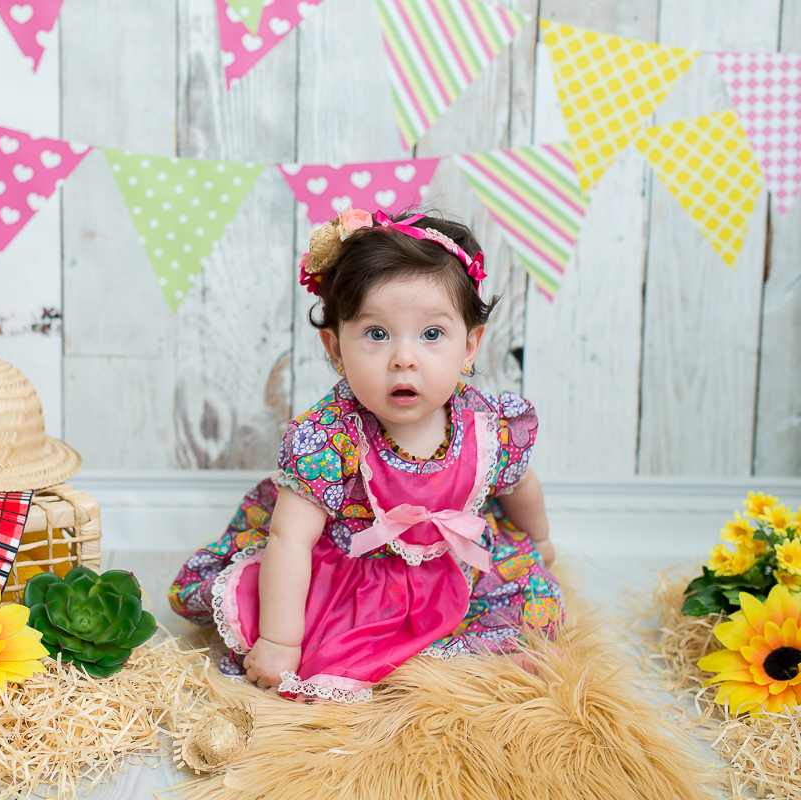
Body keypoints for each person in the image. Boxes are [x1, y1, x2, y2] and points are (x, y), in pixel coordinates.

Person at [168, 207, 562, 702]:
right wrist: (279, 640)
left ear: (470, 346)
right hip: (356, 573)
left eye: (432, 334)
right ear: (335, 347)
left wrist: (539, 540)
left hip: (452, 565)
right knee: (333, 652)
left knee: (524, 608)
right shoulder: (331, 437)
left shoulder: (490, 425)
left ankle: (469, 655)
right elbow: (289, 539)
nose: (404, 357)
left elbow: (519, 483)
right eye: (376, 334)